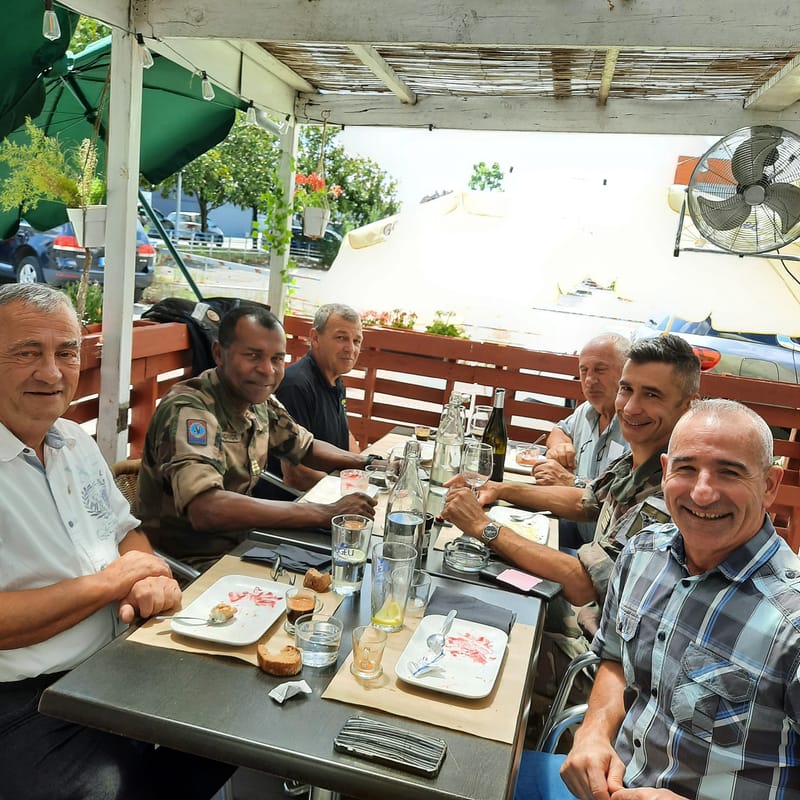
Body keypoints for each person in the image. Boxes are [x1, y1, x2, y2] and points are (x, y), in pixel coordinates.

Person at [0, 284, 233, 799]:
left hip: (118, 661)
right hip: (22, 702)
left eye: (66, 352)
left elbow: (127, 533)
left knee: (233, 726)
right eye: (26, 353)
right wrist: (111, 584)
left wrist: (149, 577)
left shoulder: (75, 442)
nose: (51, 371)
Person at [518, 399, 800, 800]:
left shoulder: (791, 623)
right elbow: (615, 658)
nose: (702, 493)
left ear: (770, 485)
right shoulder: (643, 554)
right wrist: (594, 731)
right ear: (666, 472)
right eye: (686, 469)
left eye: (729, 472)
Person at [443, 334, 700, 701]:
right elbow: (585, 502)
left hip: (610, 668)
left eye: (652, 395)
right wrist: (501, 489)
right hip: (589, 624)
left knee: (473, 644)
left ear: (687, 406)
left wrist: (484, 526)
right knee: (474, 593)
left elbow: (582, 583)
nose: (631, 406)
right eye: (627, 389)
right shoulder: (641, 459)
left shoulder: (672, 491)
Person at [135, 305, 378, 571]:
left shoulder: (258, 402)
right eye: (253, 356)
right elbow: (206, 508)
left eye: (277, 359)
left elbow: (304, 446)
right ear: (219, 353)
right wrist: (325, 513)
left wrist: (366, 463)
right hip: (186, 565)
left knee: (355, 563)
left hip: (245, 544)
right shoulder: (190, 411)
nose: (268, 370)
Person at [534, 333, 630, 547]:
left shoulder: (636, 425)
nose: (589, 380)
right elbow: (560, 429)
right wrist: (560, 445)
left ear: (626, 372)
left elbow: (624, 500)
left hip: (605, 550)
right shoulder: (586, 411)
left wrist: (570, 482)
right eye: (583, 370)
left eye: (600, 370)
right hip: (575, 529)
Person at [264, 303, 363, 496]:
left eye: (357, 340)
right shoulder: (296, 386)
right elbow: (295, 475)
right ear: (315, 338)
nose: (350, 348)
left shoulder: (334, 379)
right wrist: (348, 489)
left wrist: (364, 471)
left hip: (331, 493)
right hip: (297, 504)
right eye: (341, 338)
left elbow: (345, 434)